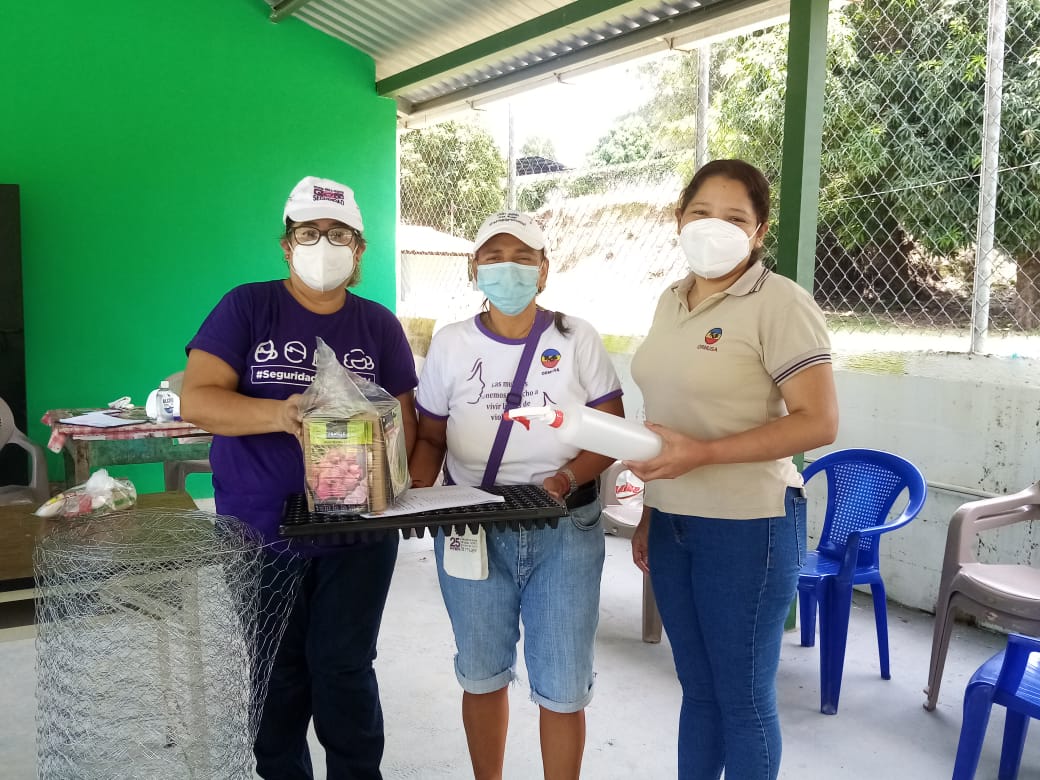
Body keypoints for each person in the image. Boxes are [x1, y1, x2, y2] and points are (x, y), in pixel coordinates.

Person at [180, 175, 418, 780]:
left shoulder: (378, 325)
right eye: (309, 232)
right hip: (262, 532)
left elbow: (404, 421)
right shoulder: (248, 306)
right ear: (287, 245)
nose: (323, 244)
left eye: (338, 233)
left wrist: (391, 487)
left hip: (358, 533)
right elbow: (199, 400)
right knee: (277, 672)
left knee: (343, 669)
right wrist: (280, 414)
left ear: (359, 248)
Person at [627, 159, 839, 780]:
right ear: (678, 219)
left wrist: (704, 454)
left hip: (748, 527)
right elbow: (665, 415)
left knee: (743, 699)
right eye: (700, 212)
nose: (713, 227)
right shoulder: (671, 300)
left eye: (734, 217)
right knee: (697, 690)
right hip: (673, 522)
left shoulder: (780, 302)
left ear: (759, 231)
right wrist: (648, 510)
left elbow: (818, 422)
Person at [410, 211, 623, 780]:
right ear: (474, 269)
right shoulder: (452, 344)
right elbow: (430, 436)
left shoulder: (576, 339)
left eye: (523, 257)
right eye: (495, 257)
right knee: (481, 675)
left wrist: (567, 476)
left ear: (544, 270)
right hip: (470, 526)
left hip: (564, 530)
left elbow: (610, 432)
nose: (509, 268)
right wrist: (411, 492)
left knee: (563, 686)